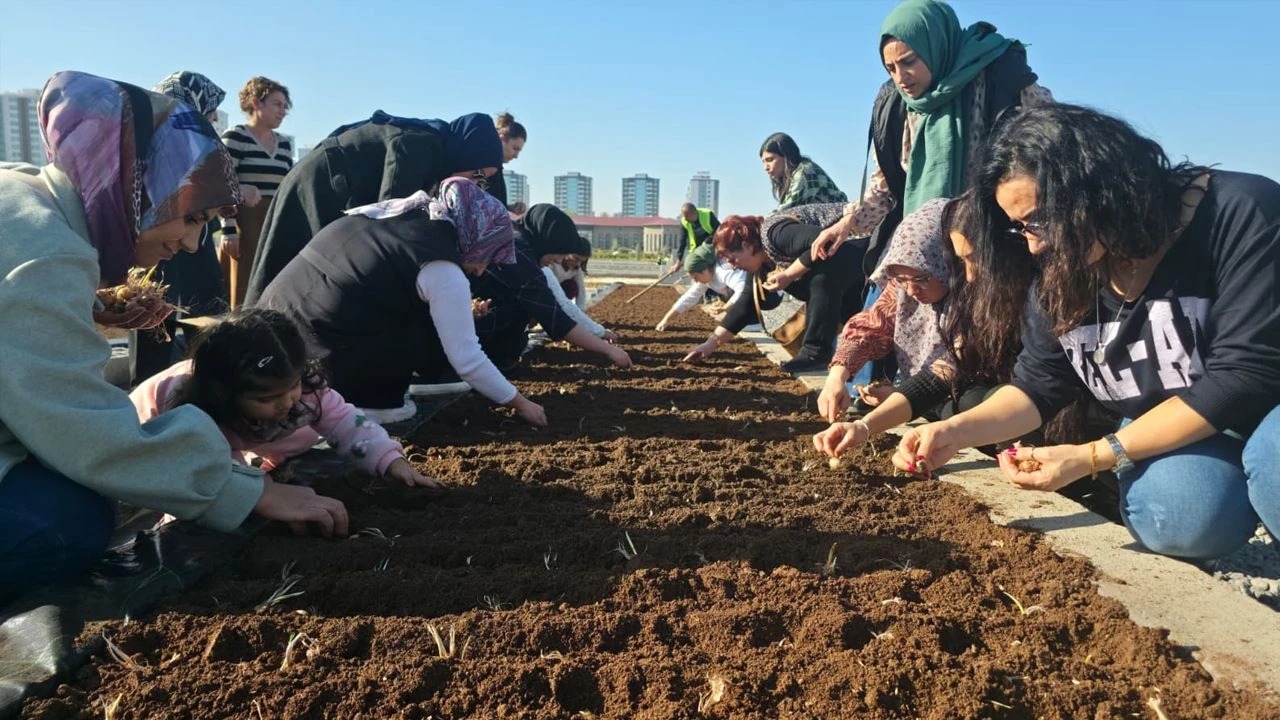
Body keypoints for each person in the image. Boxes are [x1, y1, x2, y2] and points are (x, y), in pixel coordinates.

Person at [0, 71, 347, 600]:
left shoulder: (27, 196)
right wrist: (241, 492)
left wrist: (88, 310)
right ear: (134, 187)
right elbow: (79, 425)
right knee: (68, 520)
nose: (191, 243)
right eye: (190, 217)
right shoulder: (49, 254)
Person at [894, 104, 1280, 561]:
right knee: (1182, 515)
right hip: (1187, 422)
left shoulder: (1239, 211)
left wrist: (1096, 454)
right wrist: (952, 433)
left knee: (1273, 462)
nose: (1034, 244)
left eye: (1039, 220)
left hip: (1267, 404)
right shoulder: (1065, 269)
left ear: (1100, 192)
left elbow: (1245, 375)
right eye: (1020, 228)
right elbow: (1038, 386)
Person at [258, 178, 548, 426]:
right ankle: (365, 403)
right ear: (476, 238)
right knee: (398, 397)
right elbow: (468, 359)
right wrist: (521, 403)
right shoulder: (442, 266)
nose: (483, 270)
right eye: (487, 256)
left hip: (272, 327)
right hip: (318, 355)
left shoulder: (401, 216)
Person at [809, 0, 1051, 284]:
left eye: (909, 61)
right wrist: (845, 224)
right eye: (890, 68)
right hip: (921, 249)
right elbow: (884, 188)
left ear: (936, 46)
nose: (901, 77)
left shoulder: (999, 75)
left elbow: (1052, 145)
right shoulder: (896, 108)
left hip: (994, 247)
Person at [131, 309, 443, 489]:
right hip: (146, 433)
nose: (286, 402)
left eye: (291, 386)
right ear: (226, 395)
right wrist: (260, 493)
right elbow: (213, 473)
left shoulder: (307, 393)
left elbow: (349, 425)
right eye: (267, 398)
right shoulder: (199, 411)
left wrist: (391, 462)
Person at [243, 111, 503, 304]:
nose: (475, 183)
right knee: (300, 271)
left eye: (484, 181)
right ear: (467, 153)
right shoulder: (420, 146)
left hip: (340, 190)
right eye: (477, 173)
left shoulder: (439, 159)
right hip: (321, 185)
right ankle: (258, 352)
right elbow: (391, 226)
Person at [132, 71, 233, 382]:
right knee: (152, 305)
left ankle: (202, 374)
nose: (214, 115)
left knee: (203, 302)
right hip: (163, 231)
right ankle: (152, 383)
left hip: (191, 230)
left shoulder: (200, 138)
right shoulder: (158, 138)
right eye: (211, 107)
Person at [684, 204, 867, 372]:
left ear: (747, 246)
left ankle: (816, 352)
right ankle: (869, 370)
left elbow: (825, 243)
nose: (733, 266)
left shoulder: (774, 233)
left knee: (821, 276)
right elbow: (746, 305)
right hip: (851, 266)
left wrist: (789, 275)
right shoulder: (760, 262)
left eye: (733, 259)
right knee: (858, 318)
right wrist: (710, 344)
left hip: (862, 243)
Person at [472, 204, 633, 371]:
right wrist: (609, 350)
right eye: (559, 252)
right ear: (549, 242)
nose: (558, 260)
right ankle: (492, 365)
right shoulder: (519, 257)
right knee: (520, 312)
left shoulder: (517, 240)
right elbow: (555, 319)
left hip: (472, 324)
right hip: (474, 330)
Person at [219, 76, 293, 308]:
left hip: (274, 224)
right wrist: (228, 230)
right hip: (245, 226)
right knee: (241, 293)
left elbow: (288, 186)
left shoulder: (284, 144)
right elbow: (221, 183)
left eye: (285, 106)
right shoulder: (236, 137)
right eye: (277, 104)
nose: (282, 111)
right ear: (256, 103)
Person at [655, 243, 748, 331]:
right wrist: (666, 319)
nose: (695, 281)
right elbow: (688, 298)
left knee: (733, 294)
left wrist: (725, 307)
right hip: (743, 297)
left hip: (754, 296)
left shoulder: (723, 271)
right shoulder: (706, 277)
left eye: (695, 277)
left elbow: (744, 289)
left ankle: (750, 321)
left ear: (704, 269)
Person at [541, 239, 618, 341]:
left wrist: (579, 320)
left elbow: (581, 293)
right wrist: (598, 331)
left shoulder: (577, 270)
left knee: (572, 287)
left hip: (561, 293)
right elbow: (562, 301)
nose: (577, 263)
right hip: (545, 293)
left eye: (581, 261)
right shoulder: (551, 265)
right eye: (576, 258)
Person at [760, 132, 848, 210]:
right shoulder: (792, 176)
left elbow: (786, 210)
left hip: (837, 217)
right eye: (763, 162)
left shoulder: (804, 172)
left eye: (770, 160)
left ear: (786, 156)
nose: (765, 167)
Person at [485, 112, 527, 209]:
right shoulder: (486, 166)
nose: (516, 156)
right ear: (502, 139)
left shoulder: (495, 168)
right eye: (515, 148)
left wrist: (510, 208)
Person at [669, 202, 720, 274]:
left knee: (709, 266)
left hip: (712, 245)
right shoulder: (684, 221)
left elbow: (719, 230)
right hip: (697, 248)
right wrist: (678, 262)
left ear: (694, 213)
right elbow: (682, 241)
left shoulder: (707, 215)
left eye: (687, 217)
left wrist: (707, 241)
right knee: (691, 265)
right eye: (684, 216)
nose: (685, 219)